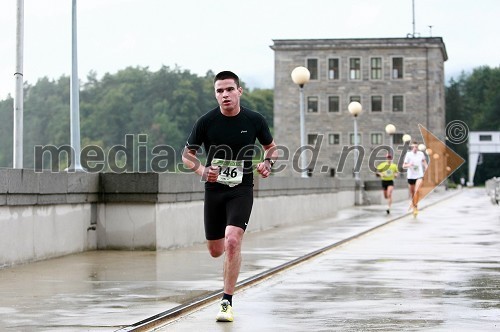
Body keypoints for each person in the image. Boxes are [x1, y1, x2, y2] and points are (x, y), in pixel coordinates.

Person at [182, 71, 277, 322]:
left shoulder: (254, 120)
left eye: (229, 90)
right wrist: (203, 171)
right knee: (216, 250)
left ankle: (227, 301)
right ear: (216, 94)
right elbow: (186, 155)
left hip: (242, 188)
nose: (225, 95)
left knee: (232, 240)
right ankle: (229, 260)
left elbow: (272, 148)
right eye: (219, 91)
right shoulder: (206, 122)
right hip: (214, 190)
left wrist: (267, 163)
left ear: (239, 91)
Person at [403, 141, 428, 216]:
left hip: (419, 175)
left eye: (416, 147)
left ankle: (416, 207)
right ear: (411, 148)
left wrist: (426, 167)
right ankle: (414, 206)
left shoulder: (421, 154)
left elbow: (424, 162)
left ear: (418, 148)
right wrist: (409, 164)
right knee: (412, 193)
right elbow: (404, 165)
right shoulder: (408, 154)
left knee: (417, 191)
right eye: (413, 147)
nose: (415, 148)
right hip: (411, 176)